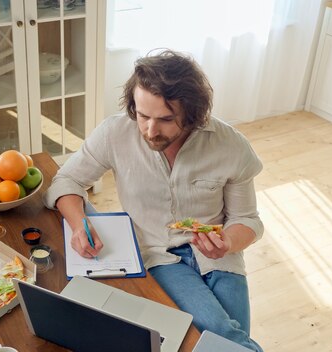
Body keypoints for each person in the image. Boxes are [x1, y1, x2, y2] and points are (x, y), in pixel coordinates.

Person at [43, 49, 264, 351]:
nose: (149, 130)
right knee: (224, 336)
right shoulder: (115, 132)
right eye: (143, 115)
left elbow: (247, 220)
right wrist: (80, 225)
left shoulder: (231, 145)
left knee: (227, 341)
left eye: (165, 119)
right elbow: (67, 180)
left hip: (222, 257)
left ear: (193, 113)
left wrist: (227, 242)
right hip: (160, 256)